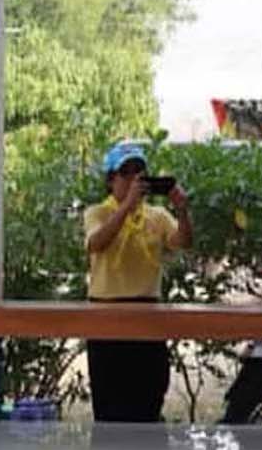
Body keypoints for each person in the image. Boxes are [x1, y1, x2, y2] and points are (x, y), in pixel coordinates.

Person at [82, 140, 192, 424]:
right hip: (105, 317)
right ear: (111, 180)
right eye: (126, 173)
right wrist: (126, 207)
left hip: (148, 316)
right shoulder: (97, 213)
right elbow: (96, 243)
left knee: (149, 399)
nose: (133, 179)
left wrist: (182, 210)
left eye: (139, 173)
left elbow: (183, 242)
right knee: (109, 405)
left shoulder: (157, 216)